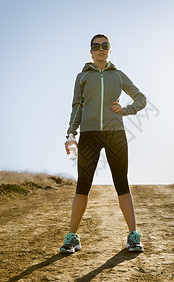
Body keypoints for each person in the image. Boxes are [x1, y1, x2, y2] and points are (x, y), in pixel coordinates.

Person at [61, 34, 147, 254]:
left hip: (115, 133)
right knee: (83, 185)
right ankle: (72, 237)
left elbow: (141, 99)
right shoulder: (82, 77)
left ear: (110, 50)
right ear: (91, 52)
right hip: (89, 134)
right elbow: (77, 106)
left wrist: (125, 110)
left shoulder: (117, 75)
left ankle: (133, 236)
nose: (101, 49)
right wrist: (72, 132)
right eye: (96, 46)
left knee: (121, 183)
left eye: (105, 45)